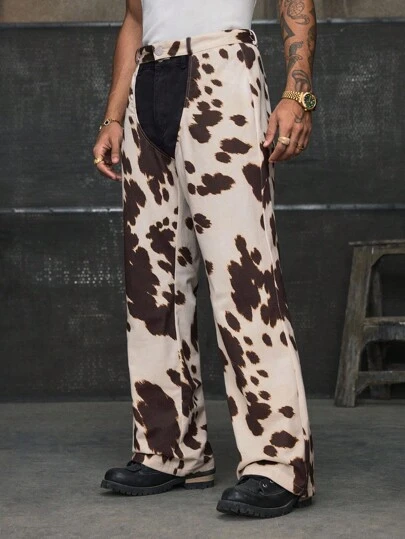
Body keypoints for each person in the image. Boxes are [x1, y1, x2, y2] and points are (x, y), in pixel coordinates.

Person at [93, 0, 317, 519]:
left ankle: (279, 464)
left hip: (222, 70)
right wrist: (113, 115)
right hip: (147, 82)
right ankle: (170, 451)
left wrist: (297, 95)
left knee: (245, 279)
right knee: (152, 285)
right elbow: (134, 18)